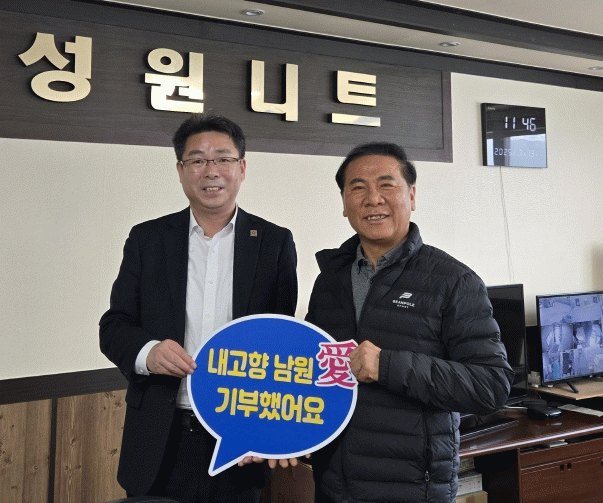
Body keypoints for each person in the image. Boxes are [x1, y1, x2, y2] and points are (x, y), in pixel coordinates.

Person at [99, 112, 298, 503]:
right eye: (198, 160)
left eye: (223, 159)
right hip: (161, 437)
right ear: (180, 170)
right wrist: (148, 352)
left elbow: (282, 342)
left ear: (242, 168)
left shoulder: (273, 243)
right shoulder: (147, 239)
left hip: (237, 439)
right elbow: (115, 325)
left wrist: (267, 430)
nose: (212, 171)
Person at [305, 142, 513, 503]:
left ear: (412, 196)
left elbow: (491, 385)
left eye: (387, 185)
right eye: (358, 188)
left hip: (412, 488)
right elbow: (309, 369)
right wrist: (278, 434)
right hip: (334, 485)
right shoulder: (330, 279)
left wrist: (387, 365)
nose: (373, 199)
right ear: (344, 203)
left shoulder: (453, 281)